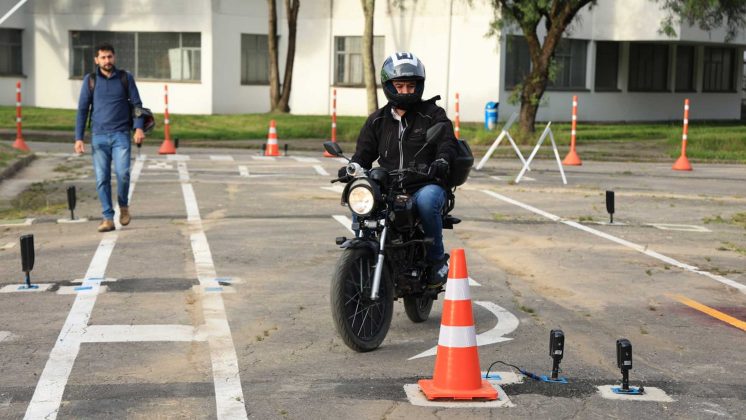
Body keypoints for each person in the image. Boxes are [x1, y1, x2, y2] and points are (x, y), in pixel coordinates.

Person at [339, 51, 458, 288]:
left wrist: (442, 161)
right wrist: (353, 168)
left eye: (410, 86)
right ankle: (361, 253)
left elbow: (447, 143)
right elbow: (363, 154)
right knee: (362, 197)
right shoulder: (377, 120)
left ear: (419, 86)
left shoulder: (433, 115)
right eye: (400, 85)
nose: (405, 91)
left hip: (424, 184)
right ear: (388, 86)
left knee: (427, 202)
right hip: (389, 187)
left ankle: (436, 261)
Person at [74, 42, 145, 232]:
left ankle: (123, 206)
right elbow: (82, 110)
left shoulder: (125, 78)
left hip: (121, 134)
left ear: (114, 57)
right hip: (98, 136)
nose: (107, 60)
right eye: (103, 57)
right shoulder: (90, 80)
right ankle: (107, 218)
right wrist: (79, 138)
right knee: (101, 178)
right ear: (96, 60)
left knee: (123, 173)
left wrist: (138, 128)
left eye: (110, 57)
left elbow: (137, 105)